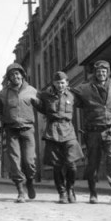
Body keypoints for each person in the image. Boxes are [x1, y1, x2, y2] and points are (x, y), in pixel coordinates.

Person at [71, 60, 111, 205]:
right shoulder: (84, 89)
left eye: (104, 71)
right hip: (93, 132)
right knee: (93, 163)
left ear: (108, 73)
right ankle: (93, 192)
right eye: (98, 71)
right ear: (94, 73)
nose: (101, 74)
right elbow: (67, 92)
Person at [31, 71, 84, 204]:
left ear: (67, 83)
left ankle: (70, 189)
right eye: (57, 83)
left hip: (69, 130)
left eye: (62, 82)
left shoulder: (73, 95)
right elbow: (34, 99)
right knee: (57, 165)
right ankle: (62, 193)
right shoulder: (45, 95)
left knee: (71, 164)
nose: (60, 85)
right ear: (53, 84)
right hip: (53, 131)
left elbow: (87, 101)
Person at [0, 63, 39, 203]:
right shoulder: (3, 93)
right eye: (12, 75)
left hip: (28, 130)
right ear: (9, 78)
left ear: (22, 75)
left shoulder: (31, 90)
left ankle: (30, 180)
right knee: (14, 161)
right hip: (11, 130)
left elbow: (43, 105)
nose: (15, 77)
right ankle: (20, 191)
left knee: (30, 161)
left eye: (17, 74)